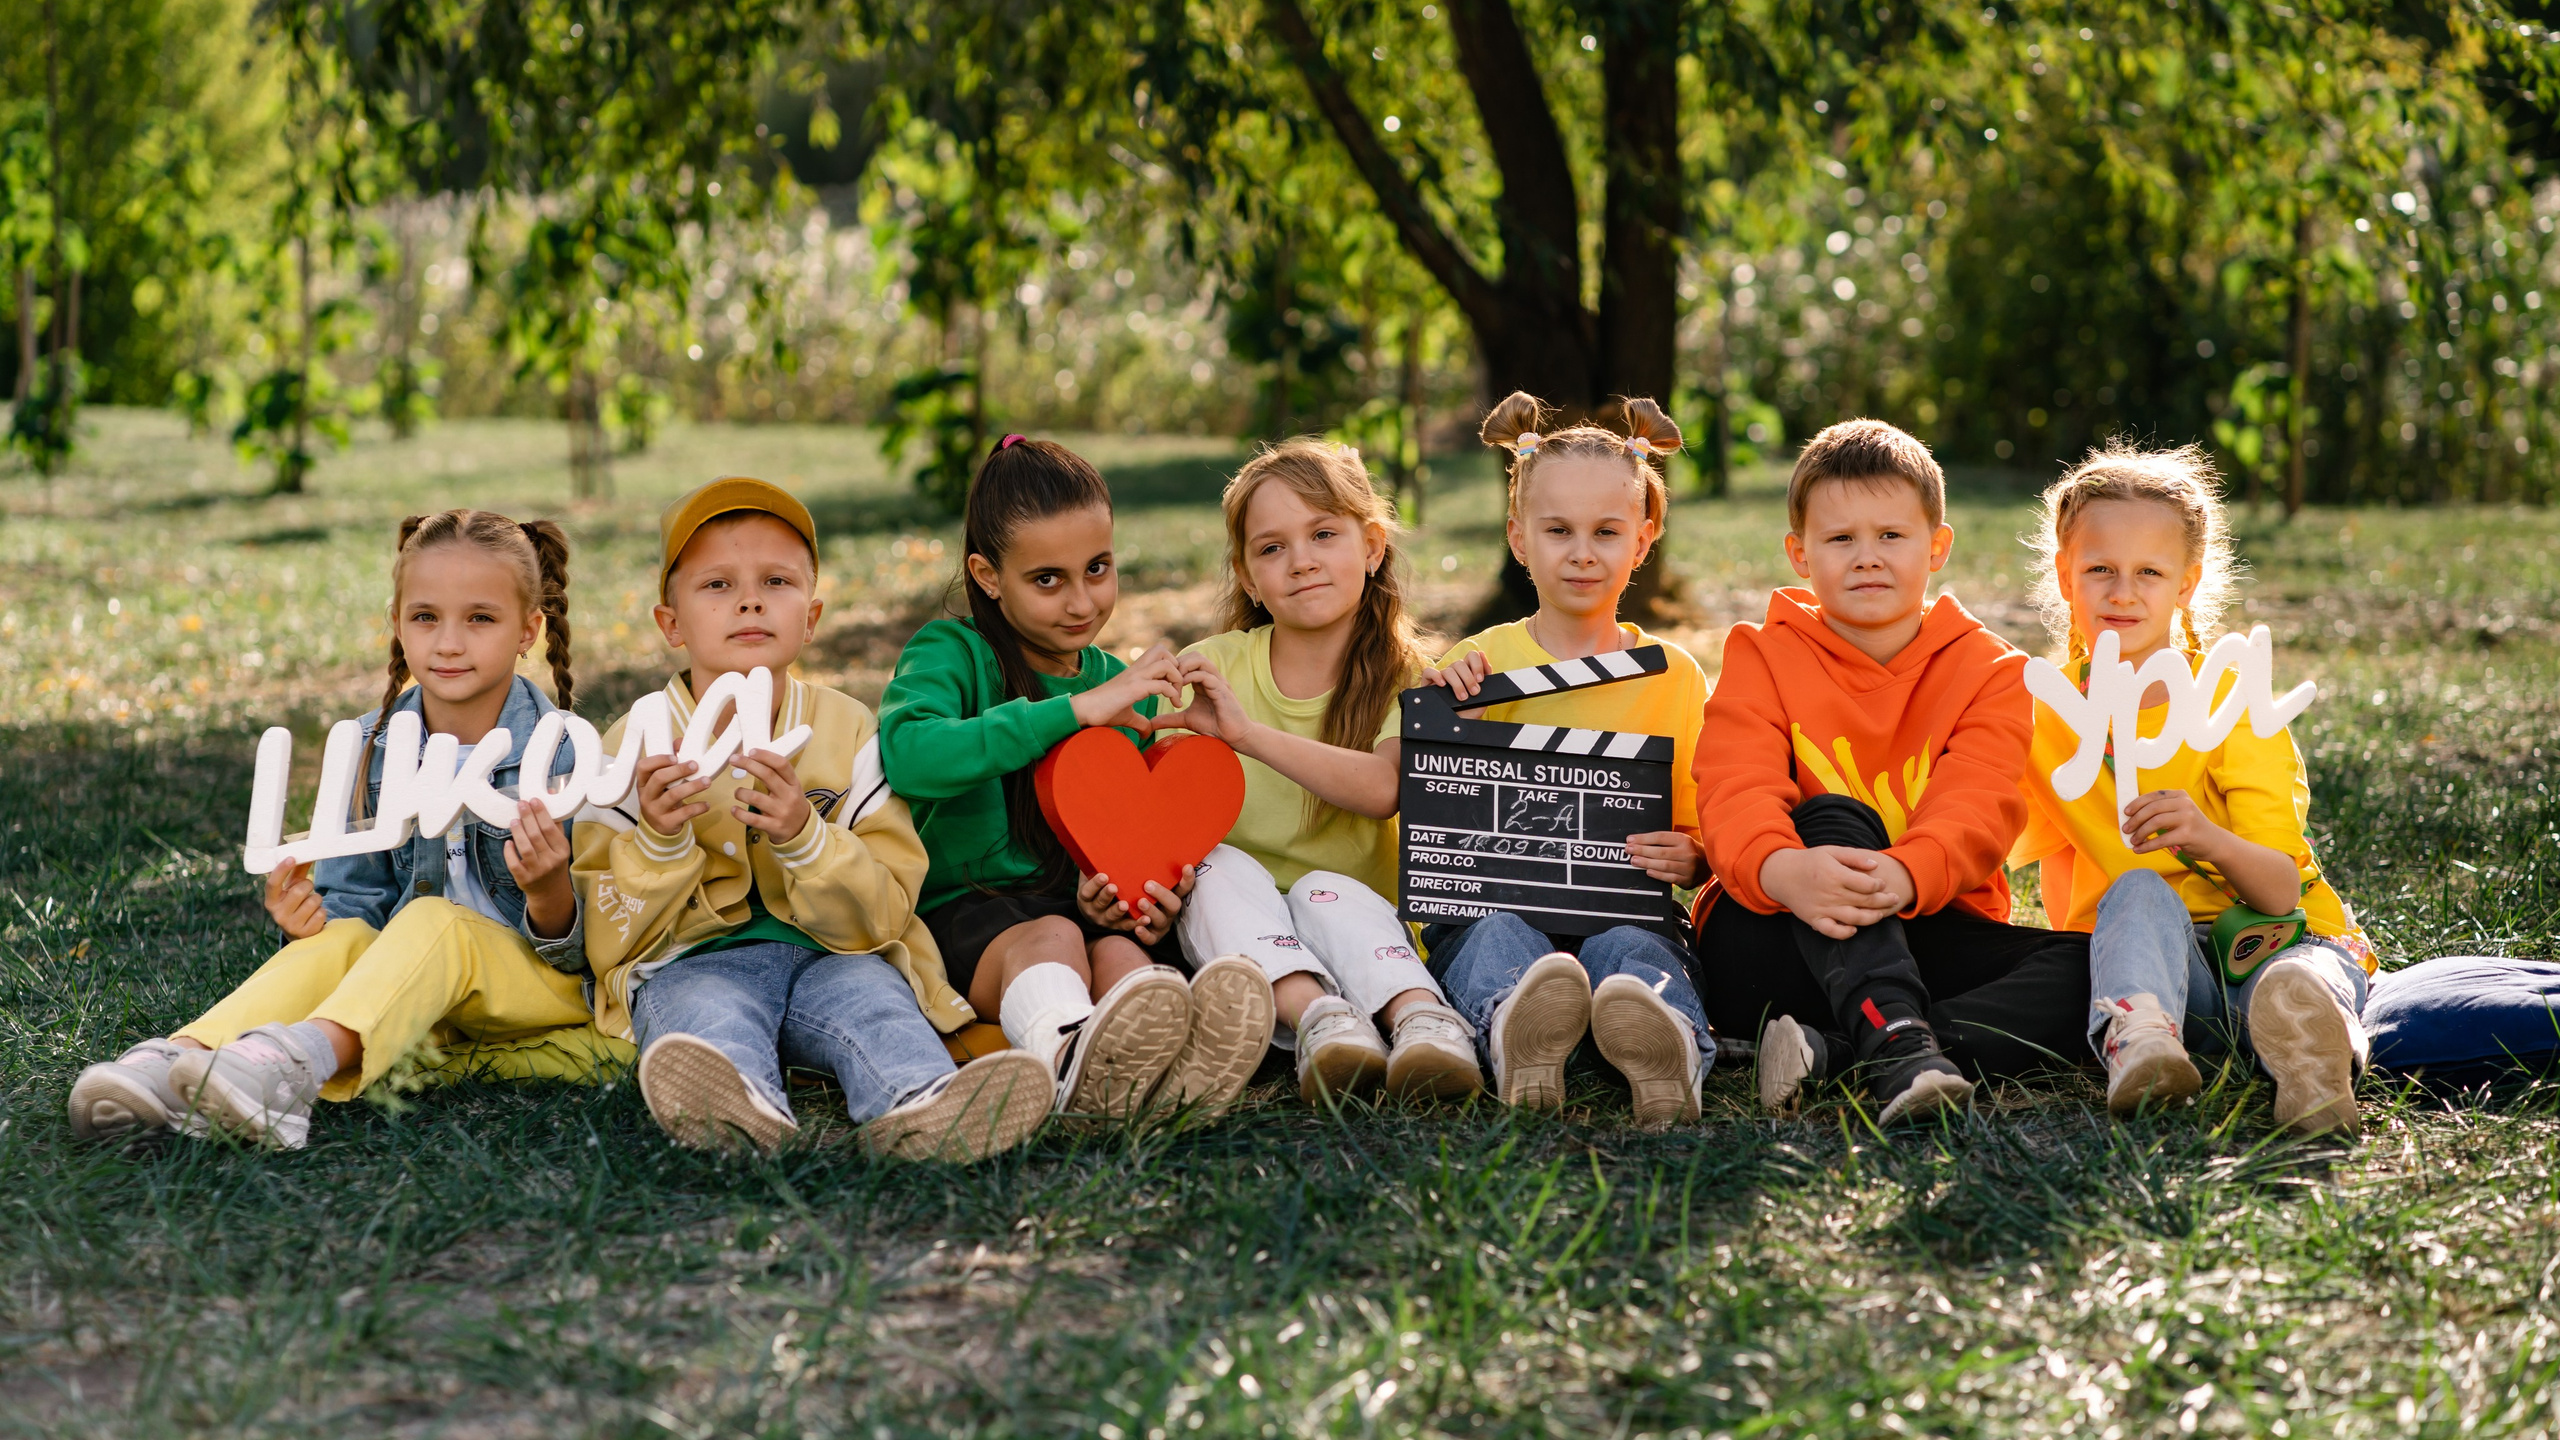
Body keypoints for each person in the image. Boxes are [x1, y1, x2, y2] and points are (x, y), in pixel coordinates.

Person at [68, 510, 629, 1148]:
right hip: (413, 1005)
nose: (448, 642)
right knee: (336, 943)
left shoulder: (566, 757)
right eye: (425, 617)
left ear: (529, 630)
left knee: (433, 921)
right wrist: (310, 923)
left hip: (533, 991)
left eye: (480, 618)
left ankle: (292, 1066)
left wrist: (549, 889)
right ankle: (173, 1064)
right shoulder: (368, 748)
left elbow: (602, 950)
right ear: (397, 622)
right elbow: (356, 910)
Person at [574, 477, 1050, 1160]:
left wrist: (805, 837)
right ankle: (740, 1108)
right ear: (670, 622)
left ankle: (923, 1105)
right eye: (716, 585)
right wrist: (659, 838)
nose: (749, 599)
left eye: (776, 580)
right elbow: (607, 934)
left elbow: (887, 908)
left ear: (811, 616)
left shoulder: (849, 731)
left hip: (833, 955)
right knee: (705, 1022)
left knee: (878, 1007)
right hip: (693, 964)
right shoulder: (636, 743)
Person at [1689, 420, 2091, 1124]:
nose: (1867, 558)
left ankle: (1851, 1051)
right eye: (1840, 539)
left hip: (1925, 925)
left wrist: (1905, 875)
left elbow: (1979, 805)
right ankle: (1901, 1045)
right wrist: (1786, 869)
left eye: (1892, 537)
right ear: (1800, 554)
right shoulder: (1761, 654)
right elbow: (1733, 788)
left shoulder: (1989, 671)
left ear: (1937, 547)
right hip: (1771, 934)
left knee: (2093, 968)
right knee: (1836, 819)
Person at [879, 435, 1274, 1120]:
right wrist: (1072, 712)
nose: (1081, 601)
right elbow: (911, 755)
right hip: (967, 912)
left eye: (1098, 568)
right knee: (1055, 941)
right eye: (1047, 579)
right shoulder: (953, 652)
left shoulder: (1124, 691)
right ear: (988, 574)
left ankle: (1167, 1075)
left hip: (1069, 910)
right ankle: (1067, 1062)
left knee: (1123, 954)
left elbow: (1115, 831)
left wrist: (1128, 893)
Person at [2012, 442, 2374, 1134]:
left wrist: (2205, 836)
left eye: (2149, 571)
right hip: (2173, 981)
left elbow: (2279, 891)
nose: (2123, 591)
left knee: (2297, 980)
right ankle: (2142, 1042)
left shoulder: (2228, 699)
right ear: (2065, 576)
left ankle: (2314, 1065)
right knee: (2138, 891)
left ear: (2186, 582)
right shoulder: (2047, 712)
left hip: (2278, 940)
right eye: (2099, 570)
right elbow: (1993, 839)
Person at [1153, 440, 1482, 1104]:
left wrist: (1247, 735)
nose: (1301, 561)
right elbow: (1147, 795)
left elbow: (1382, 790)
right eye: (1271, 548)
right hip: (1241, 937)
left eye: (1323, 534)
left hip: (1362, 925)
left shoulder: (1412, 678)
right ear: (1247, 578)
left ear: (1371, 545)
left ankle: (1422, 1023)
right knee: (1217, 869)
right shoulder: (1214, 667)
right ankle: (1325, 1027)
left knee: (1324, 891)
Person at [1421, 393, 1715, 1126]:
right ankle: (1517, 1033)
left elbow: (1705, 819)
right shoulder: (1477, 664)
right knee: (1491, 938)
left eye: (1606, 532)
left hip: (1622, 906)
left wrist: (1695, 853)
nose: (1582, 552)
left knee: (1638, 949)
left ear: (1643, 541)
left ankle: (1668, 1044)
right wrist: (1451, 715)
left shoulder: (1674, 675)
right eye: (1558, 530)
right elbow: (1428, 808)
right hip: (1498, 904)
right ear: (1519, 539)